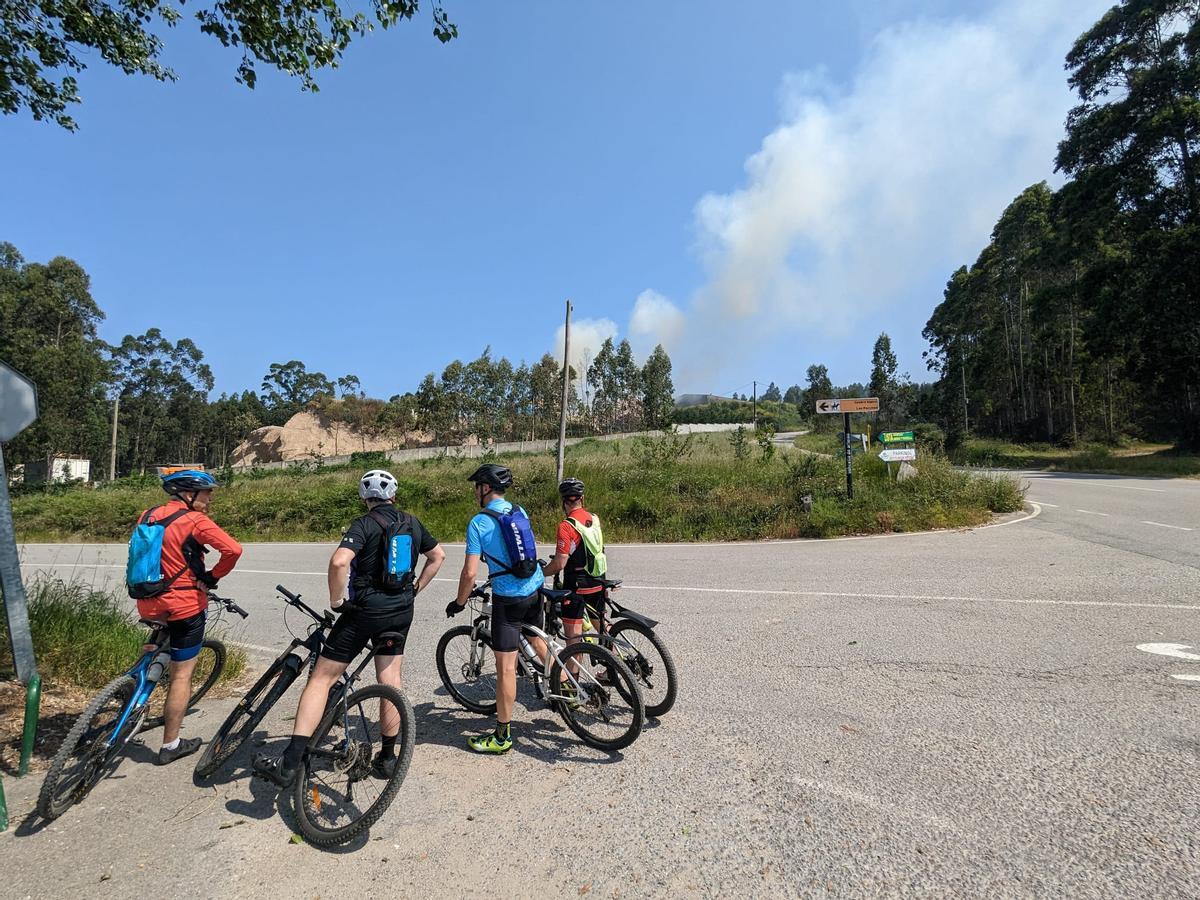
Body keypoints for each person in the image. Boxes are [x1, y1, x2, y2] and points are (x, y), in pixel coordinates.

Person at [254, 469, 445, 785]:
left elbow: (340, 562)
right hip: (401, 610)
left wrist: (337, 601)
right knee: (391, 680)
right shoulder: (412, 522)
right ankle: (387, 758)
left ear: (364, 497)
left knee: (321, 679)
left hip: (365, 611)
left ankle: (289, 764)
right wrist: (415, 589)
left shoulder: (364, 524)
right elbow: (437, 556)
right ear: (393, 496)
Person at [137, 470, 243, 765]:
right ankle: (171, 744)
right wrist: (210, 578)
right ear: (189, 494)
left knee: (157, 644)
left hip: (147, 600)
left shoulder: (148, 515)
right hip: (184, 604)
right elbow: (233, 550)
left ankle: (134, 697)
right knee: (182, 674)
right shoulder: (195, 520)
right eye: (206, 493)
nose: (210, 498)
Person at [445, 463, 545, 754]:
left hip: (509, 598)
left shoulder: (478, 522)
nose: (474, 491)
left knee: (506, 668)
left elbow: (469, 573)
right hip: (534, 587)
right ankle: (567, 690)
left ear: (485, 488)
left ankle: (501, 737)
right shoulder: (519, 511)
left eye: (476, 486)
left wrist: (460, 601)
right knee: (539, 641)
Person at [541, 477, 609, 687]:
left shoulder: (567, 525)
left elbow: (560, 562)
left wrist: (541, 573)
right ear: (582, 498)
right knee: (602, 627)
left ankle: (572, 683)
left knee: (574, 637)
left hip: (577, 585)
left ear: (564, 502)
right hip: (599, 579)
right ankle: (615, 668)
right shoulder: (594, 518)